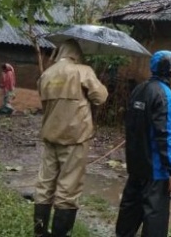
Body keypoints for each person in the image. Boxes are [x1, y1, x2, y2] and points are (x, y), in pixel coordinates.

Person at [33, 39, 108, 237]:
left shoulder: (47, 74)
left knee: (45, 184)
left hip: (50, 135)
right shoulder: (83, 71)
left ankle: (40, 232)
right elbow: (100, 97)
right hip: (75, 138)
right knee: (68, 189)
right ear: (77, 53)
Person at [115, 50, 171, 237]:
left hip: (136, 164)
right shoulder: (165, 95)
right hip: (156, 169)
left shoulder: (139, 89)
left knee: (130, 208)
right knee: (155, 216)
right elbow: (166, 135)